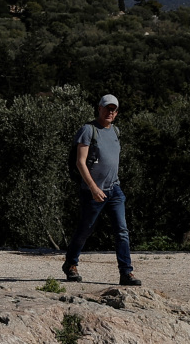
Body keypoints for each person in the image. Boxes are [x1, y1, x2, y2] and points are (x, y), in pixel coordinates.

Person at [63, 94, 140, 286]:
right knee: (85, 230)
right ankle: (71, 264)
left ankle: (126, 273)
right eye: (107, 108)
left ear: (116, 113)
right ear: (99, 108)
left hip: (114, 190)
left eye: (113, 109)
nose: (110, 112)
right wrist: (93, 188)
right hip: (92, 191)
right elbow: (80, 162)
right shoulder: (88, 131)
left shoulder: (115, 131)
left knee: (122, 231)